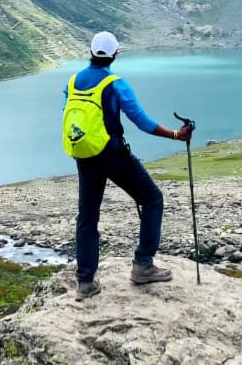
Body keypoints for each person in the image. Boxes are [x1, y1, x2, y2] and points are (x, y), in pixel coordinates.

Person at [63, 31, 192, 301]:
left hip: (84, 154)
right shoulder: (115, 83)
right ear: (114, 55)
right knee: (153, 199)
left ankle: (85, 282)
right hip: (111, 153)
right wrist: (176, 135)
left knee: (87, 215)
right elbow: (143, 123)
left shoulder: (73, 82)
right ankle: (143, 265)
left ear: (90, 51)